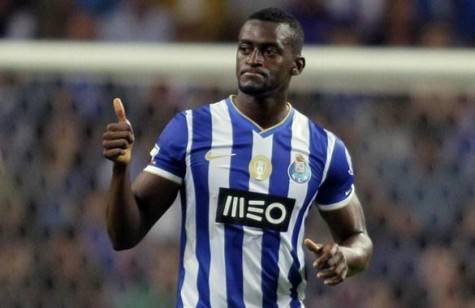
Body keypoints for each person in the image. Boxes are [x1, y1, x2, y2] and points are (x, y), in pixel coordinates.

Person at [102, 7, 373, 307]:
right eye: (245, 48)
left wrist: (344, 257)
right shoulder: (191, 130)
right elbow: (123, 236)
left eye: (269, 51)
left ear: (296, 65)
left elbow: (358, 239)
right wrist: (120, 170)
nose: (253, 59)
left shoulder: (323, 148)